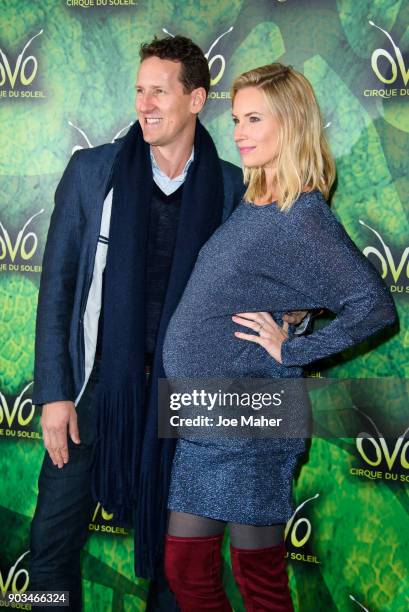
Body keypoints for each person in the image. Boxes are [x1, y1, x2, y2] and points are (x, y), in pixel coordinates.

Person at [28, 37, 307, 611]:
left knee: (178, 564)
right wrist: (56, 393)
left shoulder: (235, 187)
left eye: (160, 90)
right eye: (139, 89)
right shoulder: (91, 173)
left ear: (197, 99)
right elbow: (56, 291)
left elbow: (280, 283)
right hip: (98, 388)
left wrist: (294, 316)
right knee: (50, 545)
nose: (145, 103)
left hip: (191, 398)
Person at [161, 63, 397, 611]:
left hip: (254, 416)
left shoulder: (303, 214)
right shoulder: (257, 199)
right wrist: (296, 315)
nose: (239, 131)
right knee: (187, 568)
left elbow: (374, 306)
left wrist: (292, 347)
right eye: (237, 118)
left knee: (256, 578)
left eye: (254, 119)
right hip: (209, 412)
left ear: (289, 124)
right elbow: (275, 285)